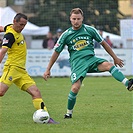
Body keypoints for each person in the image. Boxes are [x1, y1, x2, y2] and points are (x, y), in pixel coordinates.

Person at [43, 8, 133, 119]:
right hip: (78, 63)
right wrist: (48, 69)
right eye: (74, 19)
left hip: (91, 60)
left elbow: (104, 43)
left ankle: (127, 84)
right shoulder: (66, 35)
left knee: (109, 65)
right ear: (70, 19)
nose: (76, 21)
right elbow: (56, 52)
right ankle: (68, 113)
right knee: (75, 88)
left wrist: (115, 58)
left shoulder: (90, 30)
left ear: (82, 19)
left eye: (78, 19)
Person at [0, 13, 58, 124]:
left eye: (24, 25)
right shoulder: (10, 35)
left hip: (21, 71)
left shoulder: (9, 27)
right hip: (12, 68)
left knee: (36, 92)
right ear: (15, 21)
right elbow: (3, 51)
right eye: (21, 24)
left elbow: (2, 28)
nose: (22, 27)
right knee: (1, 92)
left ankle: (46, 117)